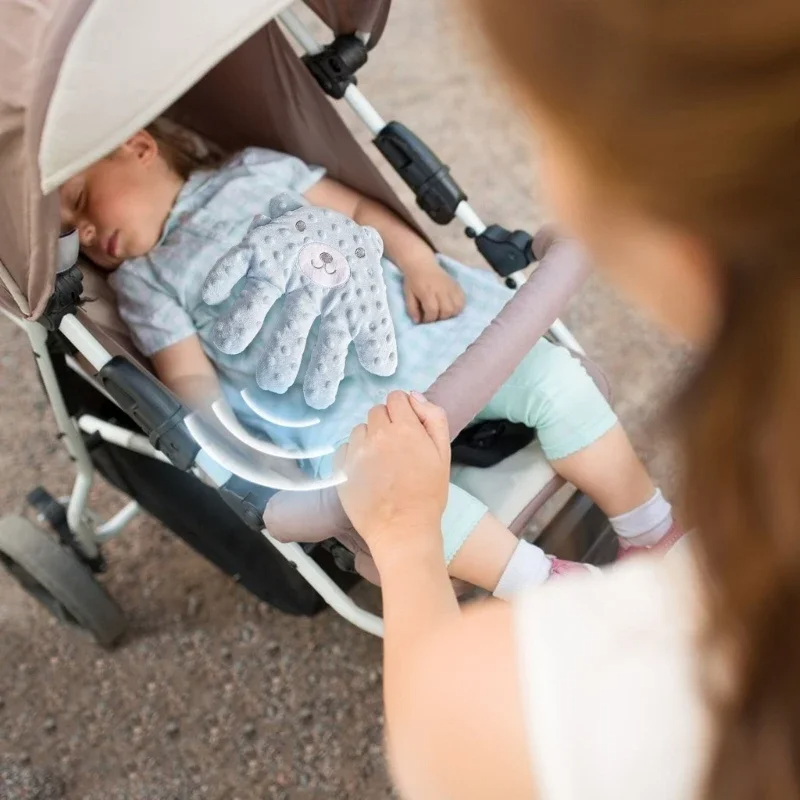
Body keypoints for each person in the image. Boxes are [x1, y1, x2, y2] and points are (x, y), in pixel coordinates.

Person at [335, 0, 800, 797]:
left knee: (543, 386)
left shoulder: (571, 704)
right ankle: (643, 529)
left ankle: (578, 558)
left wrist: (404, 541)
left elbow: (435, 715)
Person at [58, 123, 679, 590]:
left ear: (137, 146)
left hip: (417, 332)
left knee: (549, 374)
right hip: (332, 409)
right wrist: (233, 447)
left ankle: (650, 529)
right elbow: (188, 373)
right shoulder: (145, 279)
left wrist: (414, 260)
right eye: (71, 232)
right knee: (397, 512)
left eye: (82, 198)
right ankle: (548, 586)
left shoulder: (252, 173)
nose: (84, 234)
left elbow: (356, 211)